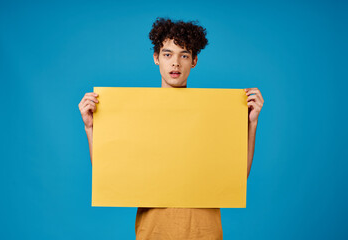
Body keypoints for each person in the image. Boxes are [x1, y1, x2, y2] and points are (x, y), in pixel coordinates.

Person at [78, 17, 264, 240]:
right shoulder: (135, 114)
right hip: (153, 231)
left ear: (194, 60)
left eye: (184, 55)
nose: (175, 63)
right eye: (167, 54)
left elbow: (236, 178)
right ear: (156, 58)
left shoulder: (214, 114)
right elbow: (111, 174)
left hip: (204, 231)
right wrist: (90, 128)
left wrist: (251, 123)